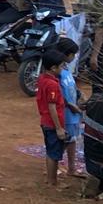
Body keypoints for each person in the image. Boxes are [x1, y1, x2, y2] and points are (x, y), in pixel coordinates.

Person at [36, 50, 68, 187]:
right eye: (61, 66)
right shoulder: (52, 84)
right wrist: (59, 128)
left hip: (46, 121)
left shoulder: (43, 79)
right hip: (52, 123)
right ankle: (52, 181)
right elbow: (52, 107)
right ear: (53, 68)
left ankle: (51, 179)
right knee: (53, 153)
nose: (63, 68)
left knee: (51, 151)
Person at [57, 38, 84, 179]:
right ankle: (54, 165)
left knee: (72, 139)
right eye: (73, 54)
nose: (74, 57)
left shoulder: (66, 69)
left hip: (73, 112)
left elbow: (71, 87)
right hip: (66, 112)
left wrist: (79, 96)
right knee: (65, 141)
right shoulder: (57, 71)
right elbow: (59, 93)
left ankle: (72, 167)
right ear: (66, 54)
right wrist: (70, 104)